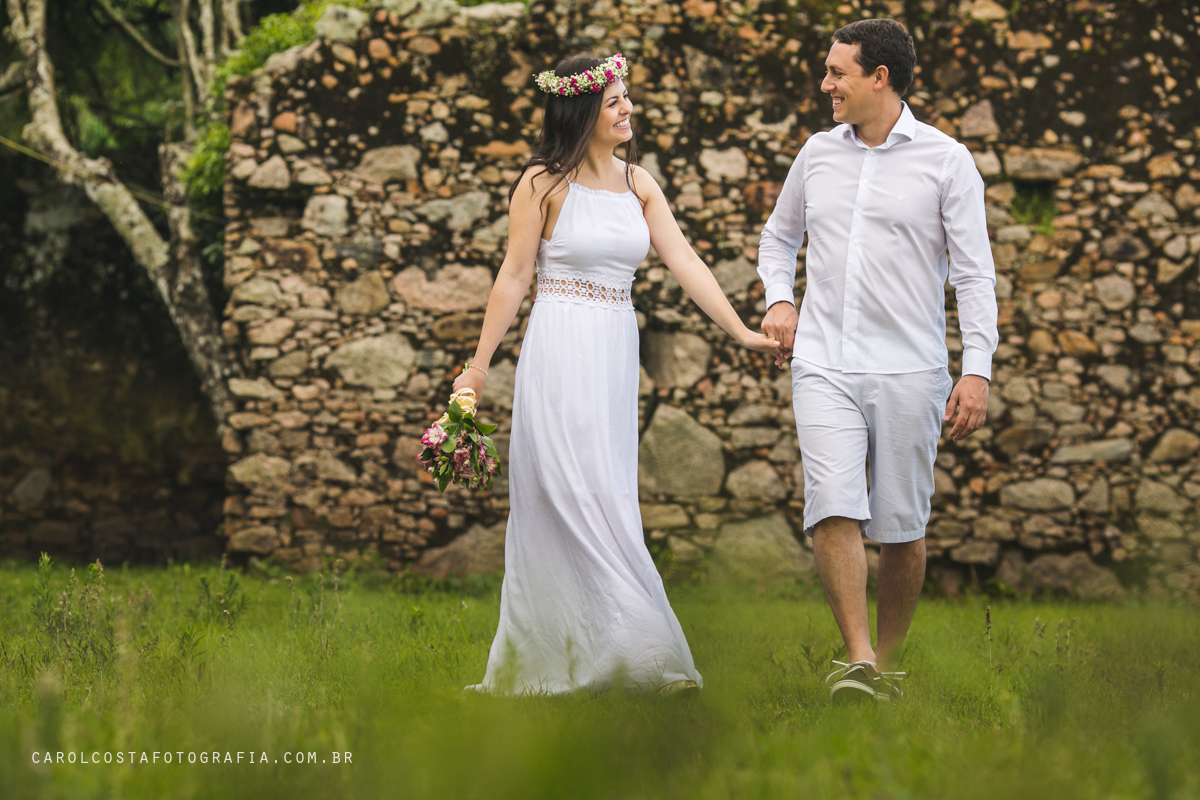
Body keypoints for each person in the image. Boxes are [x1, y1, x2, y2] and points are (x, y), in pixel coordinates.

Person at [456, 53, 779, 696]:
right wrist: (476, 370)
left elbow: (683, 260)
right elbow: (514, 277)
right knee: (567, 493)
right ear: (582, 111)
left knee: (606, 496)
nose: (628, 108)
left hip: (610, 351)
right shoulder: (541, 184)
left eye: (627, 97)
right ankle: (641, 654)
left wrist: (740, 328)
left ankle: (610, 649)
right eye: (614, 101)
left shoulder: (639, 184)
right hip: (558, 343)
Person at [757, 19, 998, 703]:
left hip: (910, 368)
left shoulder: (947, 161)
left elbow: (974, 276)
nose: (826, 84)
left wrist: (975, 368)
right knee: (832, 503)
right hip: (824, 361)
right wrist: (780, 301)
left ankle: (885, 664)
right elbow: (779, 240)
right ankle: (859, 660)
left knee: (901, 525)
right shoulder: (816, 153)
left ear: (879, 79)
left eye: (838, 73)